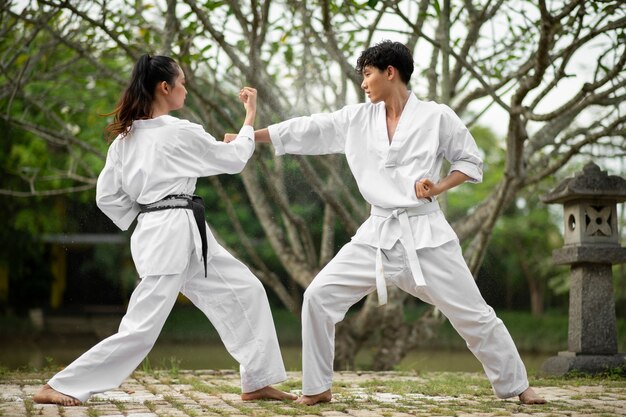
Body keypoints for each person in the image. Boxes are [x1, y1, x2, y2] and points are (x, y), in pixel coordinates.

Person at [227, 40, 546, 406]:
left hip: (425, 235)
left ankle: (519, 386)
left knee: (472, 313)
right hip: (376, 235)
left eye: (367, 74)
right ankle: (317, 388)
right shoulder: (358, 119)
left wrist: (438, 186)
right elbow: (309, 129)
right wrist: (251, 137)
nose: (363, 83)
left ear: (389, 72)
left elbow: (470, 162)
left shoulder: (436, 116)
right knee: (318, 297)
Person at [33, 54, 296, 406]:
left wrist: (144, 213)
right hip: (169, 230)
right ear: (165, 87)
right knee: (142, 327)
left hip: (177, 229)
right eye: (182, 82)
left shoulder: (123, 141)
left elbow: (107, 197)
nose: (186, 89)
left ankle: (257, 381)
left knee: (246, 290)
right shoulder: (178, 131)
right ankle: (61, 385)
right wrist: (250, 116)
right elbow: (233, 159)